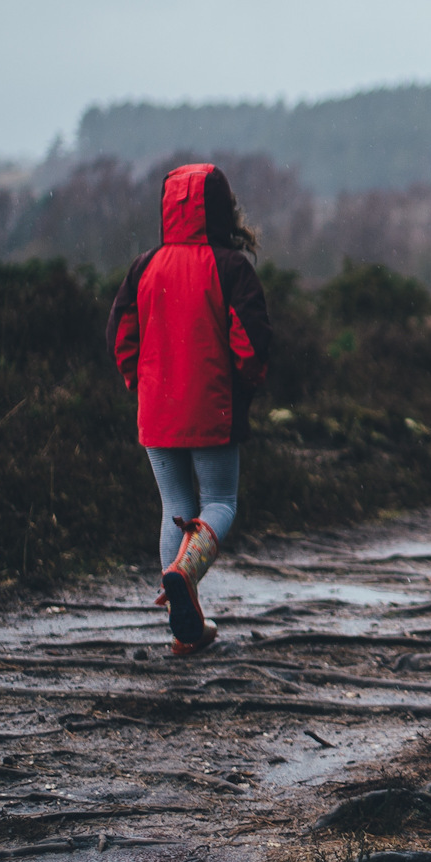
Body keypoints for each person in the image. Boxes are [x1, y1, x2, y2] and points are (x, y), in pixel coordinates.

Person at [104, 164, 273, 655]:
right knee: (220, 503)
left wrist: (140, 382)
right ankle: (184, 574)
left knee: (174, 508)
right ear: (221, 209)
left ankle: (185, 630)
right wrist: (244, 387)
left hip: (157, 410)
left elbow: (121, 335)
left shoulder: (144, 265)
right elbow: (252, 343)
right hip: (213, 407)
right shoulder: (231, 267)